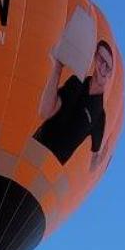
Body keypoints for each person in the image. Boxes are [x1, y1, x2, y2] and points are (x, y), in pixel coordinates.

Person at [34, 38, 113, 168]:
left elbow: (93, 163)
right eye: (101, 60)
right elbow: (46, 111)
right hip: (35, 147)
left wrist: (102, 159)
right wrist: (57, 69)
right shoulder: (76, 82)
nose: (103, 67)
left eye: (108, 66)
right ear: (95, 58)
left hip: (50, 168)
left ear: (110, 73)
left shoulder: (99, 115)